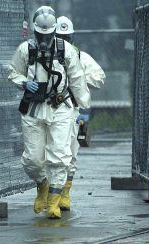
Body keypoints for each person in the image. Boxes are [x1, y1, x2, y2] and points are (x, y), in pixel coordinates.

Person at [8, 6, 90, 219]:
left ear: (54, 31)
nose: (43, 38)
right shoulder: (26, 50)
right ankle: (42, 185)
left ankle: (54, 201)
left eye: (48, 34)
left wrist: (84, 108)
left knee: (59, 155)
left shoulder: (66, 50)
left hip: (60, 107)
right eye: (40, 34)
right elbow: (13, 72)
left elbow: (78, 80)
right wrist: (24, 83)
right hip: (34, 109)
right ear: (35, 32)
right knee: (33, 160)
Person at [55, 16, 106, 211]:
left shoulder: (80, 57)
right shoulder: (44, 59)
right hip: (50, 113)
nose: (63, 42)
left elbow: (99, 78)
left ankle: (64, 194)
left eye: (66, 38)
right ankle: (50, 193)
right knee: (49, 156)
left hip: (74, 111)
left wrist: (78, 80)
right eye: (59, 38)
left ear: (72, 38)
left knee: (71, 154)